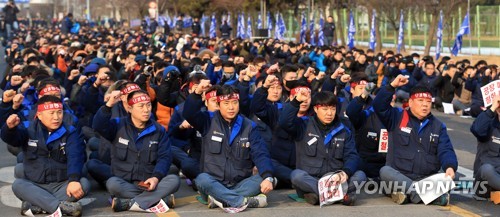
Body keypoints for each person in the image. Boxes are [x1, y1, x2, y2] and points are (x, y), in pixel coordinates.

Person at [183, 81, 275, 213]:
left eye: (234, 103)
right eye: (226, 103)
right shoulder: (207, 121)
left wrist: (268, 177)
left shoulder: (249, 126)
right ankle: (242, 201)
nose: (231, 107)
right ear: (218, 104)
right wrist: (197, 94)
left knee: (268, 177)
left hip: (240, 183)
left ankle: (221, 199)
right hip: (213, 183)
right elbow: (189, 113)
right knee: (202, 179)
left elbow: (260, 153)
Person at [374, 74, 458, 206]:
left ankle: (409, 194)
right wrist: (392, 86)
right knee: (385, 172)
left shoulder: (438, 126)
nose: (425, 105)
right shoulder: (397, 117)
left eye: (428, 102)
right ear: (411, 102)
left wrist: (450, 167)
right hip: (400, 175)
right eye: (420, 101)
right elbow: (378, 105)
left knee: (453, 177)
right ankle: (425, 196)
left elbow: (446, 149)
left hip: (426, 178)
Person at [93, 90, 180, 213]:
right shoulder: (118, 125)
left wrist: (156, 178)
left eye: (148, 105)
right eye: (141, 106)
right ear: (129, 108)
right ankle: (156, 200)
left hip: (151, 185)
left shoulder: (158, 130)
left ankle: (129, 203)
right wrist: (109, 105)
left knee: (174, 180)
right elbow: (98, 126)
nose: (146, 110)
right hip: (126, 184)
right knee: (112, 184)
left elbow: (164, 157)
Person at [1, 96, 89, 217]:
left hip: (62, 184)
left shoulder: (70, 131)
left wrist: (73, 180)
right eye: (51, 113)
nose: (56, 117)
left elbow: (75, 156)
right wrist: (9, 129)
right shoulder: (28, 128)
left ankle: (38, 206)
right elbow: (12, 139)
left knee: (83, 183)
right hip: (36, 184)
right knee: (18, 185)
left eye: (59, 112)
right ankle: (60, 207)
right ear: (40, 115)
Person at [280, 90, 366, 206]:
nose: (329, 113)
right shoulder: (303, 125)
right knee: (296, 175)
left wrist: (344, 173)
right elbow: (285, 122)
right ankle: (340, 196)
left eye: (333, 109)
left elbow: (352, 155)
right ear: (315, 109)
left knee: (360, 175)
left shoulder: (343, 130)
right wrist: (296, 101)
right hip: (312, 179)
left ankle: (319, 196)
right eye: (325, 109)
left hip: (335, 179)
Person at [470, 95, 500, 202]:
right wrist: (492, 108)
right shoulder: (488, 121)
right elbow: (477, 129)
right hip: (484, 182)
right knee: (487, 169)